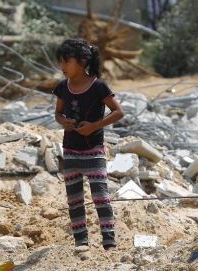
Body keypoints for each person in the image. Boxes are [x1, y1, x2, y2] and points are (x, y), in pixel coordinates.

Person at [52, 38, 125, 251]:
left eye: (67, 61)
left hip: (94, 151)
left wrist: (94, 126)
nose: (62, 66)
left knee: (101, 197)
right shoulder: (62, 87)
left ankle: (109, 242)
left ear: (82, 62)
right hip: (70, 151)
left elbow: (118, 112)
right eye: (61, 61)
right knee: (74, 200)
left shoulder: (98, 86)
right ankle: (81, 241)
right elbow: (58, 112)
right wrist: (62, 121)